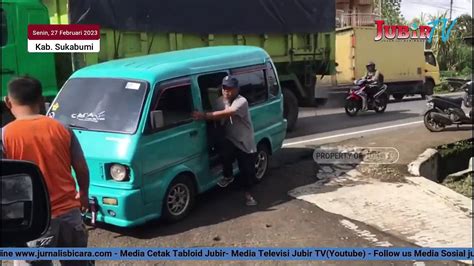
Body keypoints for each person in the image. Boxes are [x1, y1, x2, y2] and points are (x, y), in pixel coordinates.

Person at [2, 76, 92, 266]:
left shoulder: (4, 136)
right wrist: (83, 194)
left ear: (8, 101)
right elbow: (81, 168)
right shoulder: (62, 128)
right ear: (41, 99)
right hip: (70, 215)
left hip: (31, 222)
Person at [192, 76, 258, 206]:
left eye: (230, 89)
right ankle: (228, 176)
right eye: (224, 88)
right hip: (230, 139)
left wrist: (203, 116)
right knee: (223, 150)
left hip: (244, 142)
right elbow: (216, 115)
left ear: (237, 89)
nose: (226, 91)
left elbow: (228, 113)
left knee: (246, 172)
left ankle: (249, 195)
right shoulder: (219, 102)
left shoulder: (241, 101)